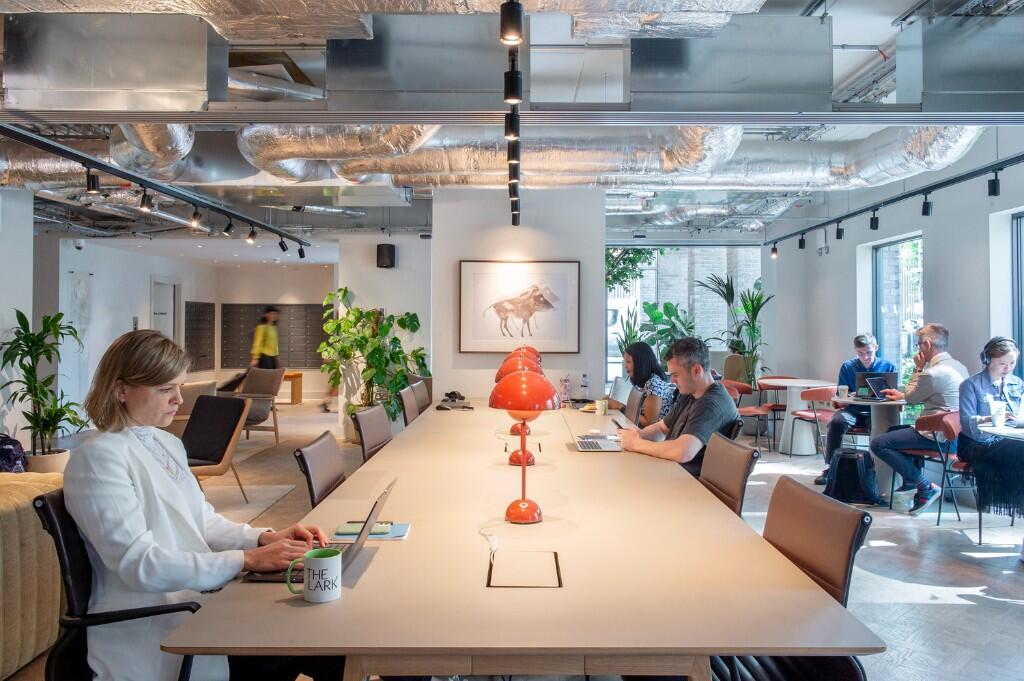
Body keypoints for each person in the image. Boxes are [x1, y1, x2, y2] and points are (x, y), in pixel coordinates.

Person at [64, 330, 344, 681]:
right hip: (164, 625)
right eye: (165, 389)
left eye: (179, 387)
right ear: (121, 390)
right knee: (326, 643)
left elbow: (203, 522)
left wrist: (264, 538)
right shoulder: (98, 458)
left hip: (201, 603)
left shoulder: (166, 443)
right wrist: (246, 560)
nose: (178, 399)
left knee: (330, 633)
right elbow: (140, 564)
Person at [869, 324, 968, 515]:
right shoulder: (959, 366)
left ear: (927, 345)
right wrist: (902, 395)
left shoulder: (933, 372)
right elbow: (927, 394)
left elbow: (911, 398)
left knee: (878, 444)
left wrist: (918, 367)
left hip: (939, 436)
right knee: (893, 432)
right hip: (958, 437)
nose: (918, 349)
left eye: (918, 345)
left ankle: (924, 486)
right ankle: (910, 483)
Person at [618, 337, 740, 477]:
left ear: (696, 370)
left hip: (688, 481)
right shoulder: (691, 392)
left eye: (676, 374)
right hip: (673, 471)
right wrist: (638, 434)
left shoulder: (711, 404)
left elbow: (683, 452)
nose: (672, 380)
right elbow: (662, 427)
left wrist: (636, 444)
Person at [958, 337, 1024, 541]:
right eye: (1002, 363)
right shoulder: (971, 385)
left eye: (1012, 363)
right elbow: (967, 423)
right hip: (975, 444)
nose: (1008, 368)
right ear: (987, 360)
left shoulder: (1016, 383)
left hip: (1005, 440)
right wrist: (992, 418)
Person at [815, 333, 897, 485]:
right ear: (855, 350)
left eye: (869, 352)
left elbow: (894, 395)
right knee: (836, 422)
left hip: (877, 412)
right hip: (852, 410)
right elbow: (841, 395)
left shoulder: (888, 366)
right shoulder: (848, 367)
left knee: (881, 428)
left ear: (876, 348)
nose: (865, 357)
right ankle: (831, 468)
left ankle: (876, 470)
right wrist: (850, 396)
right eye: (860, 353)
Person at [608, 341, 677, 426]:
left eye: (628, 362)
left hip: (655, 433)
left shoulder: (653, 384)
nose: (625, 365)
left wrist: (620, 407)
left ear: (640, 363)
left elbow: (649, 422)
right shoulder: (646, 382)